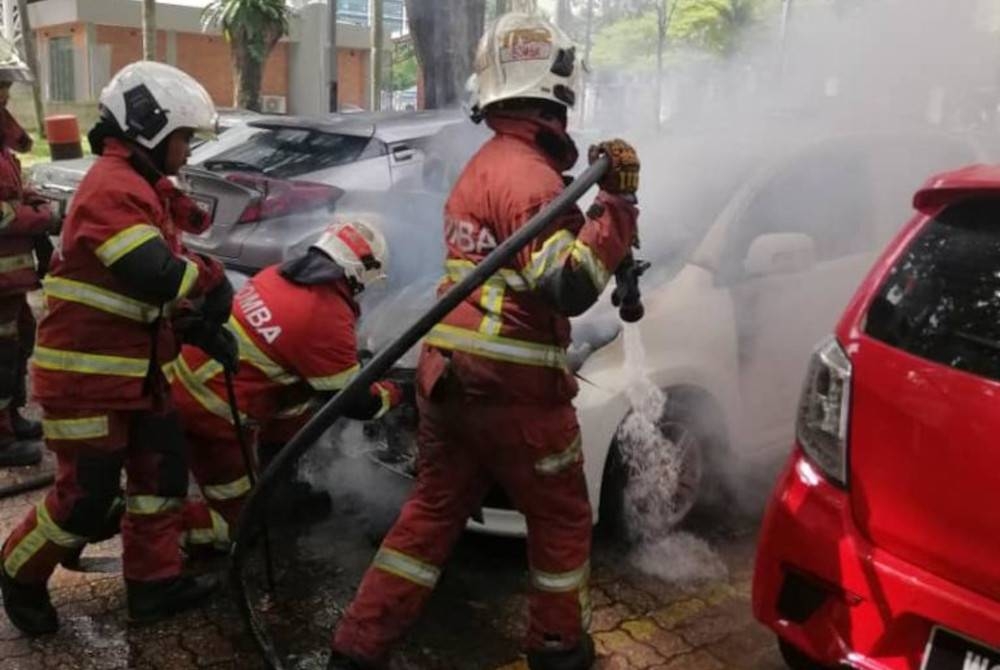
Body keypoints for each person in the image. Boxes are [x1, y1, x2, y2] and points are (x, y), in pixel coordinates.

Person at [328, 12, 641, 670]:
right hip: (516, 394)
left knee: (429, 516)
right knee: (559, 521)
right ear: (555, 91)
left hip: (451, 381)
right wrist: (617, 210)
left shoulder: (486, 167)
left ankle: (359, 646)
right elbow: (569, 285)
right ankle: (558, 649)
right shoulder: (529, 178)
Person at [0, 60, 236, 636]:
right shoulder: (112, 188)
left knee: (159, 479)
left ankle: (153, 587)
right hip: (87, 381)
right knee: (85, 498)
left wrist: (196, 325)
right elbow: (153, 271)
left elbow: (147, 292)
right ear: (150, 129)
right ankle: (17, 574)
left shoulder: (142, 187)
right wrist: (211, 280)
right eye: (183, 137)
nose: (186, 151)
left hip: (138, 374)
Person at [175, 219, 410, 551]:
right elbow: (356, 404)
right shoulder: (324, 313)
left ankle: (278, 478)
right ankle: (162, 533)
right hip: (212, 413)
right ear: (361, 273)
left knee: (303, 396)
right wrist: (400, 390)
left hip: (189, 379)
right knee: (240, 526)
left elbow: (299, 353)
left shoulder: (278, 274)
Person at [0, 37, 60, 467]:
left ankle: (10, 415)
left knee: (18, 341)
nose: (6, 92)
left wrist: (33, 196)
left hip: (9, 281)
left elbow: (12, 190)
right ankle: (0, 440)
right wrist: (42, 218)